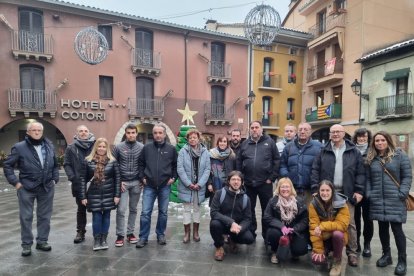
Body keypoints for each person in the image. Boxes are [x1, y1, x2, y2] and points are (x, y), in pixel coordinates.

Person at [311, 124, 365, 267]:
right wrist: (315, 188)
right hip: (327, 194)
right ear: (329, 134)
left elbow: (360, 172)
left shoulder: (353, 151)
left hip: (347, 193)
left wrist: (359, 191)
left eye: (338, 132)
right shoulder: (324, 150)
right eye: (332, 132)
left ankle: (352, 253)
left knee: (350, 224)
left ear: (343, 134)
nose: (335, 134)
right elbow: (315, 170)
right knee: (328, 221)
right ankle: (330, 248)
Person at [3, 121, 59, 257]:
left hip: (46, 187)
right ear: (28, 132)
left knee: (45, 216)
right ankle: (27, 244)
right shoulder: (19, 147)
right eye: (34, 130)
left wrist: (54, 178)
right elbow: (7, 165)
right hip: (26, 187)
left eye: (39, 130)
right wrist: (15, 183)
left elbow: (55, 164)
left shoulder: (49, 145)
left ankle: (42, 241)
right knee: (26, 217)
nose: (37, 132)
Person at [366, 131, 412, 276]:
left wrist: (403, 193)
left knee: (397, 230)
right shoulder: (372, 158)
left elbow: (407, 176)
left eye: (382, 140)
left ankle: (402, 261)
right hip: (377, 199)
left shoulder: (399, 155)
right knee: (382, 229)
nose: (379, 143)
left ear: (388, 141)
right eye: (377, 141)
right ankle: (387, 255)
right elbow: (368, 179)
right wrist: (369, 193)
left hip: (395, 199)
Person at [236, 120, 280, 240]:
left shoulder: (270, 142)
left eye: (256, 127)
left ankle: (267, 236)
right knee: (249, 210)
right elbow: (239, 161)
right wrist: (241, 178)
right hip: (248, 183)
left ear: (261, 129)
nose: (254, 129)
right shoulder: (244, 144)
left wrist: (271, 178)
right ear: (250, 129)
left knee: (267, 210)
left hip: (265, 183)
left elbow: (277, 160)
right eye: (252, 127)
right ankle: (251, 232)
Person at [136, 124, 178, 248]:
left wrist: (174, 178)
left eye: (160, 133)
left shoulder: (171, 149)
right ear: (153, 134)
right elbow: (141, 164)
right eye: (155, 133)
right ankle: (143, 237)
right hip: (149, 185)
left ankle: (160, 234)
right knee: (145, 212)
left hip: (165, 185)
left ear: (164, 134)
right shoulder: (146, 148)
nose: (158, 135)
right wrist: (142, 177)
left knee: (163, 212)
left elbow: (176, 165)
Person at [80, 137, 121, 251]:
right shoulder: (88, 160)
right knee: (97, 217)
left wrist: (117, 195)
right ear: (95, 147)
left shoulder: (112, 161)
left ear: (107, 148)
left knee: (107, 216)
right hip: (94, 194)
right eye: (99, 146)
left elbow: (118, 179)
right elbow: (82, 179)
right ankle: (97, 239)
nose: (101, 148)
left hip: (109, 193)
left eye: (104, 146)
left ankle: (104, 239)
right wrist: (83, 196)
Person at [210, 170, 255, 261]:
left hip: (235, 228)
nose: (236, 182)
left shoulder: (246, 198)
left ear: (242, 183)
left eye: (238, 180)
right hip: (222, 224)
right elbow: (214, 212)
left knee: (249, 238)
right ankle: (219, 247)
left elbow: (248, 219)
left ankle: (232, 239)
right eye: (233, 179)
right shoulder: (219, 193)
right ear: (229, 181)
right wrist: (231, 222)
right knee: (214, 224)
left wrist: (240, 227)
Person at [263, 177, 309, 264]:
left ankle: (293, 249)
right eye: (282, 187)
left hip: (294, 231)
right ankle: (275, 251)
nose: (285, 189)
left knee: (300, 250)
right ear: (278, 188)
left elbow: (305, 220)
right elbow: (267, 217)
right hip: (278, 231)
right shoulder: (273, 201)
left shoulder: (299, 201)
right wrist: (281, 226)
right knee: (274, 233)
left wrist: (295, 229)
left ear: (291, 188)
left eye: (287, 187)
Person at [309, 180, 350, 276]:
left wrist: (323, 226)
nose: (325, 193)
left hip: (337, 236)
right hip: (323, 237)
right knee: (317, 260)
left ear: (332, 191)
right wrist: (318, 250)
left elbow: (342, 225)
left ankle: (337, 261)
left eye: (327, 190)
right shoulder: (313, 204)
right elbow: (313, 227)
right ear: (318, 191)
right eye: (322, 190)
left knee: (337, 234)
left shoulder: (342, 203)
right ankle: (327, 253)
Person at [112, 124, 144, 247]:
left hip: (136, 182)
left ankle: (130, 233)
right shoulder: (118, 147)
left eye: (133, 132)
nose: (131, 135)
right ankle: (120, 235)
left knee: (133, 209)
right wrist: (118, 181)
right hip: (123, 183)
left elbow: (143, 164)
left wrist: (142, 179)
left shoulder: (142, 147)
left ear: (136, 133)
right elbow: (113, 165)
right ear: (125, 134)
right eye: (128, 132)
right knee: (121, 209)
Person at [177, 128, 211, 243]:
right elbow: (180, 169)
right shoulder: (183, 151)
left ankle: (196, 232)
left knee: (197, 209)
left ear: (198, 138)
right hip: (187, 186)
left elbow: (207, 169)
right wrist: (189, 184)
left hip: (199, 186)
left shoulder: (205, 152)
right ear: (188, 139)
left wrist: (200, 184)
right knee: (186, 210)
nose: (192, 139)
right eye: (190, 138)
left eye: (194, 137)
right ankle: (187, 233)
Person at [64, 125, 96, 244]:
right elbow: (66, 164)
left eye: (85, 131)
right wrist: (72, 177)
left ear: (89, 132)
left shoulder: (95, 145)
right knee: (81, 209)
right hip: (78, 182)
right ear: (77, 133)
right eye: (81, 131)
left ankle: (98, 233)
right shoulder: (71, 148)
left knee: (97, 207)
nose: (83, 133)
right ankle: (80, 231)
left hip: (94, 182)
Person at [279, 122, 322, 205]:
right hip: (292, 189)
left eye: (305, 129)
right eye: (300, 130)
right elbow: (282, 164)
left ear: (310, 131)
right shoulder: (289, 147)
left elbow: (322, 166)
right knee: (292, 215)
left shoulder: (319, 147)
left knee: (309, 215)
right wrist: (287, 176)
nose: (302, 132)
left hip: (310, 190)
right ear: (297, 132)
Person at [352, 127, 373, 257]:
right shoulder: (352, 150)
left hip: (369, 191)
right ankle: (357, 243)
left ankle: (367, 244)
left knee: (368, 219)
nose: (362, 138)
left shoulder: (373, 151)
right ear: (356, 137)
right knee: (355, 219)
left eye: (364, 136)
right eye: (359, 136)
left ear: (368, 137)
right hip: (355, 190)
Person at [207, 135, 236, 205]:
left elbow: (235, 171)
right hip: (215, 185)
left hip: (228, 185)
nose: (222, 143)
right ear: (217, 143)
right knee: (215, 206)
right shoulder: (211, 155)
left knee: (226, 206)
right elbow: (207, 170)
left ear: (227, 143)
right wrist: (209, 183)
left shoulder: (232, 156)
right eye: (220, 141)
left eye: (224, 141)